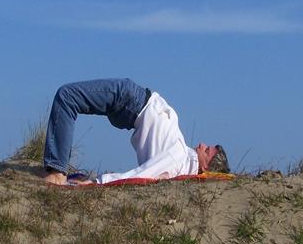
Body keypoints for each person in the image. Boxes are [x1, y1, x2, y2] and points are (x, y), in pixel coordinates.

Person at [42, 78, 230, 185]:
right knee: (69, 98)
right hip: (135, 105)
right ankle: (58, 168)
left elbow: (141, 174)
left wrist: (97, 182)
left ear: (205, 167)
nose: (201, 145)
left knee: (67, 96)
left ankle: (57, 172)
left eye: (207, 151)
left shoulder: (178, 158)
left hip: (131, 100)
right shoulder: (182, 157)